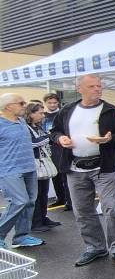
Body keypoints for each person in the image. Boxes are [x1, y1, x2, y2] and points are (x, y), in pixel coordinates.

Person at [51, 74, 115, 266]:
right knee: (82, 211)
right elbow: (54, 131)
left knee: (111, 209)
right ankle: (95, 247)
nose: (97, 89)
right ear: (79, 89)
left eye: (99, 85)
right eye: (92, 86)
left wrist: (109, 139)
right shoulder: (67, 110)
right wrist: (60, 139)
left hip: (104, 167)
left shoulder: (110, 110)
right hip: (75, 168)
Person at [0, 94, 45, 249]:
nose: (25, 105)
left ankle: (21, 237)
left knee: (29, 203)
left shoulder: (21, 121)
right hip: (9, 170)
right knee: (19, 201)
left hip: (29, 168)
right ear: (8, 106)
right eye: (21, 103)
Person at [25, 102, 62, 233]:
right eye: (40, 113)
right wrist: (49, 137)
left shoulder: (38, 127)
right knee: (35, 195)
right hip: (33, 164)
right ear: (31, 114)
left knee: (43, 194)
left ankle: (43, 218)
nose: (43, 115)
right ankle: (35, 223)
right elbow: (31, 143)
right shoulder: (25, 128)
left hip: (42, 163)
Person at [42, 93, 70, 209]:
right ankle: (60, 198)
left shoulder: (63, 113)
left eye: (54, 102)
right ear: (45, 103)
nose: (52, 105)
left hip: (61, 147)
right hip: (47, 149)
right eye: (50, 103)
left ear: (58, 102)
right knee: (55, 175)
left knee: (65, 175)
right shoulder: (42, 115)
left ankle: (69, 200)